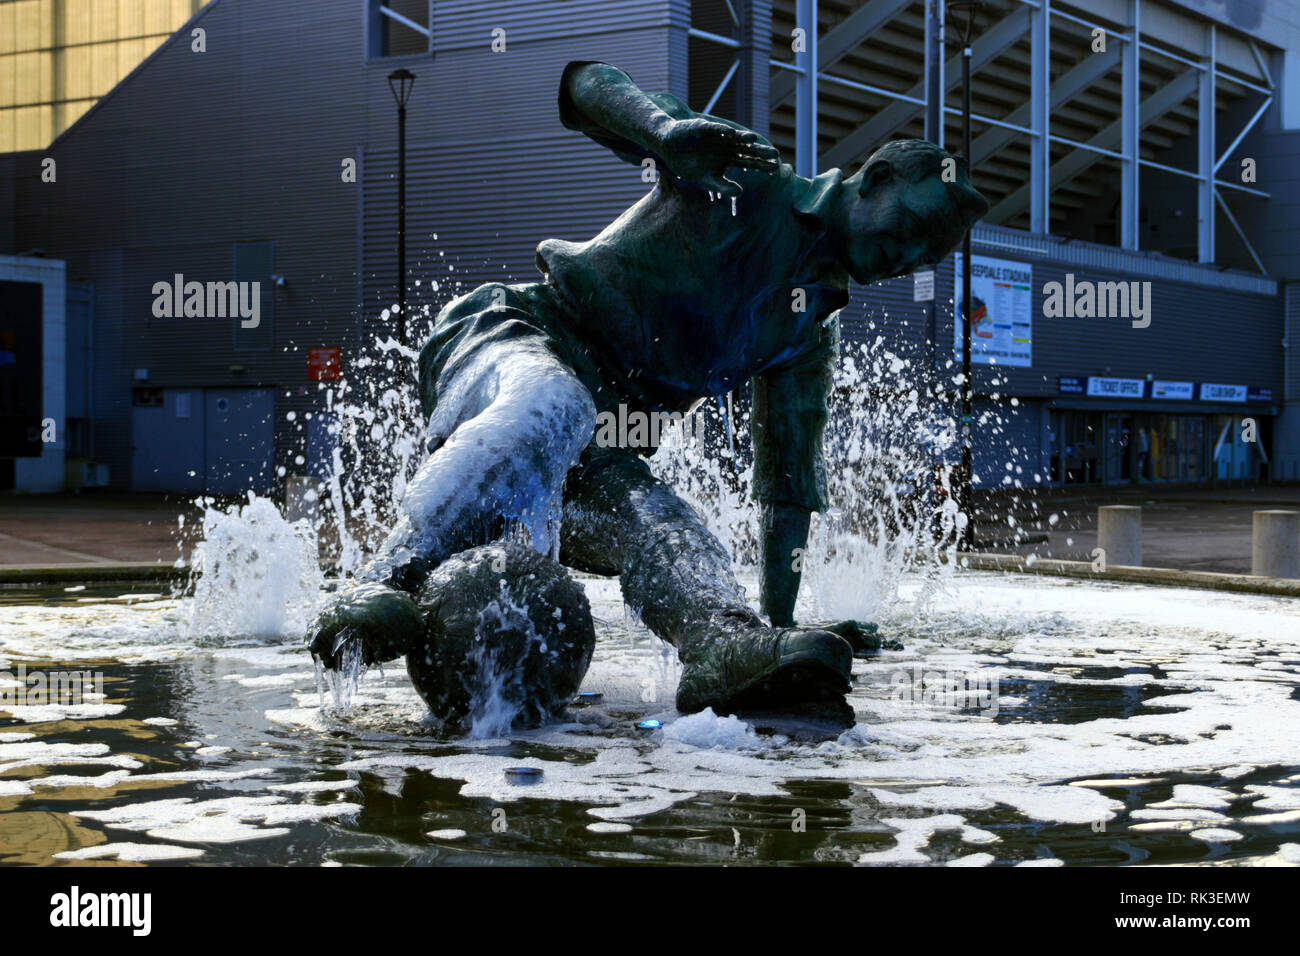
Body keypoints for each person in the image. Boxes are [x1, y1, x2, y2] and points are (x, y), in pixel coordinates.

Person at [310, 61, 988, 717]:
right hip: (516, 335)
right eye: (907, 231)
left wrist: (779, 629)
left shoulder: (807, 330)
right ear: (873, 179)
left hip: (600, 443)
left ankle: (724, 643)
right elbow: (587, 85)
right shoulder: (748, 180)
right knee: (552, 403)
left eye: (924, 258)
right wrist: (663, 133)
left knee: (664, 525)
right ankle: (382, 582)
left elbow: (787, 489)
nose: (904, 259)